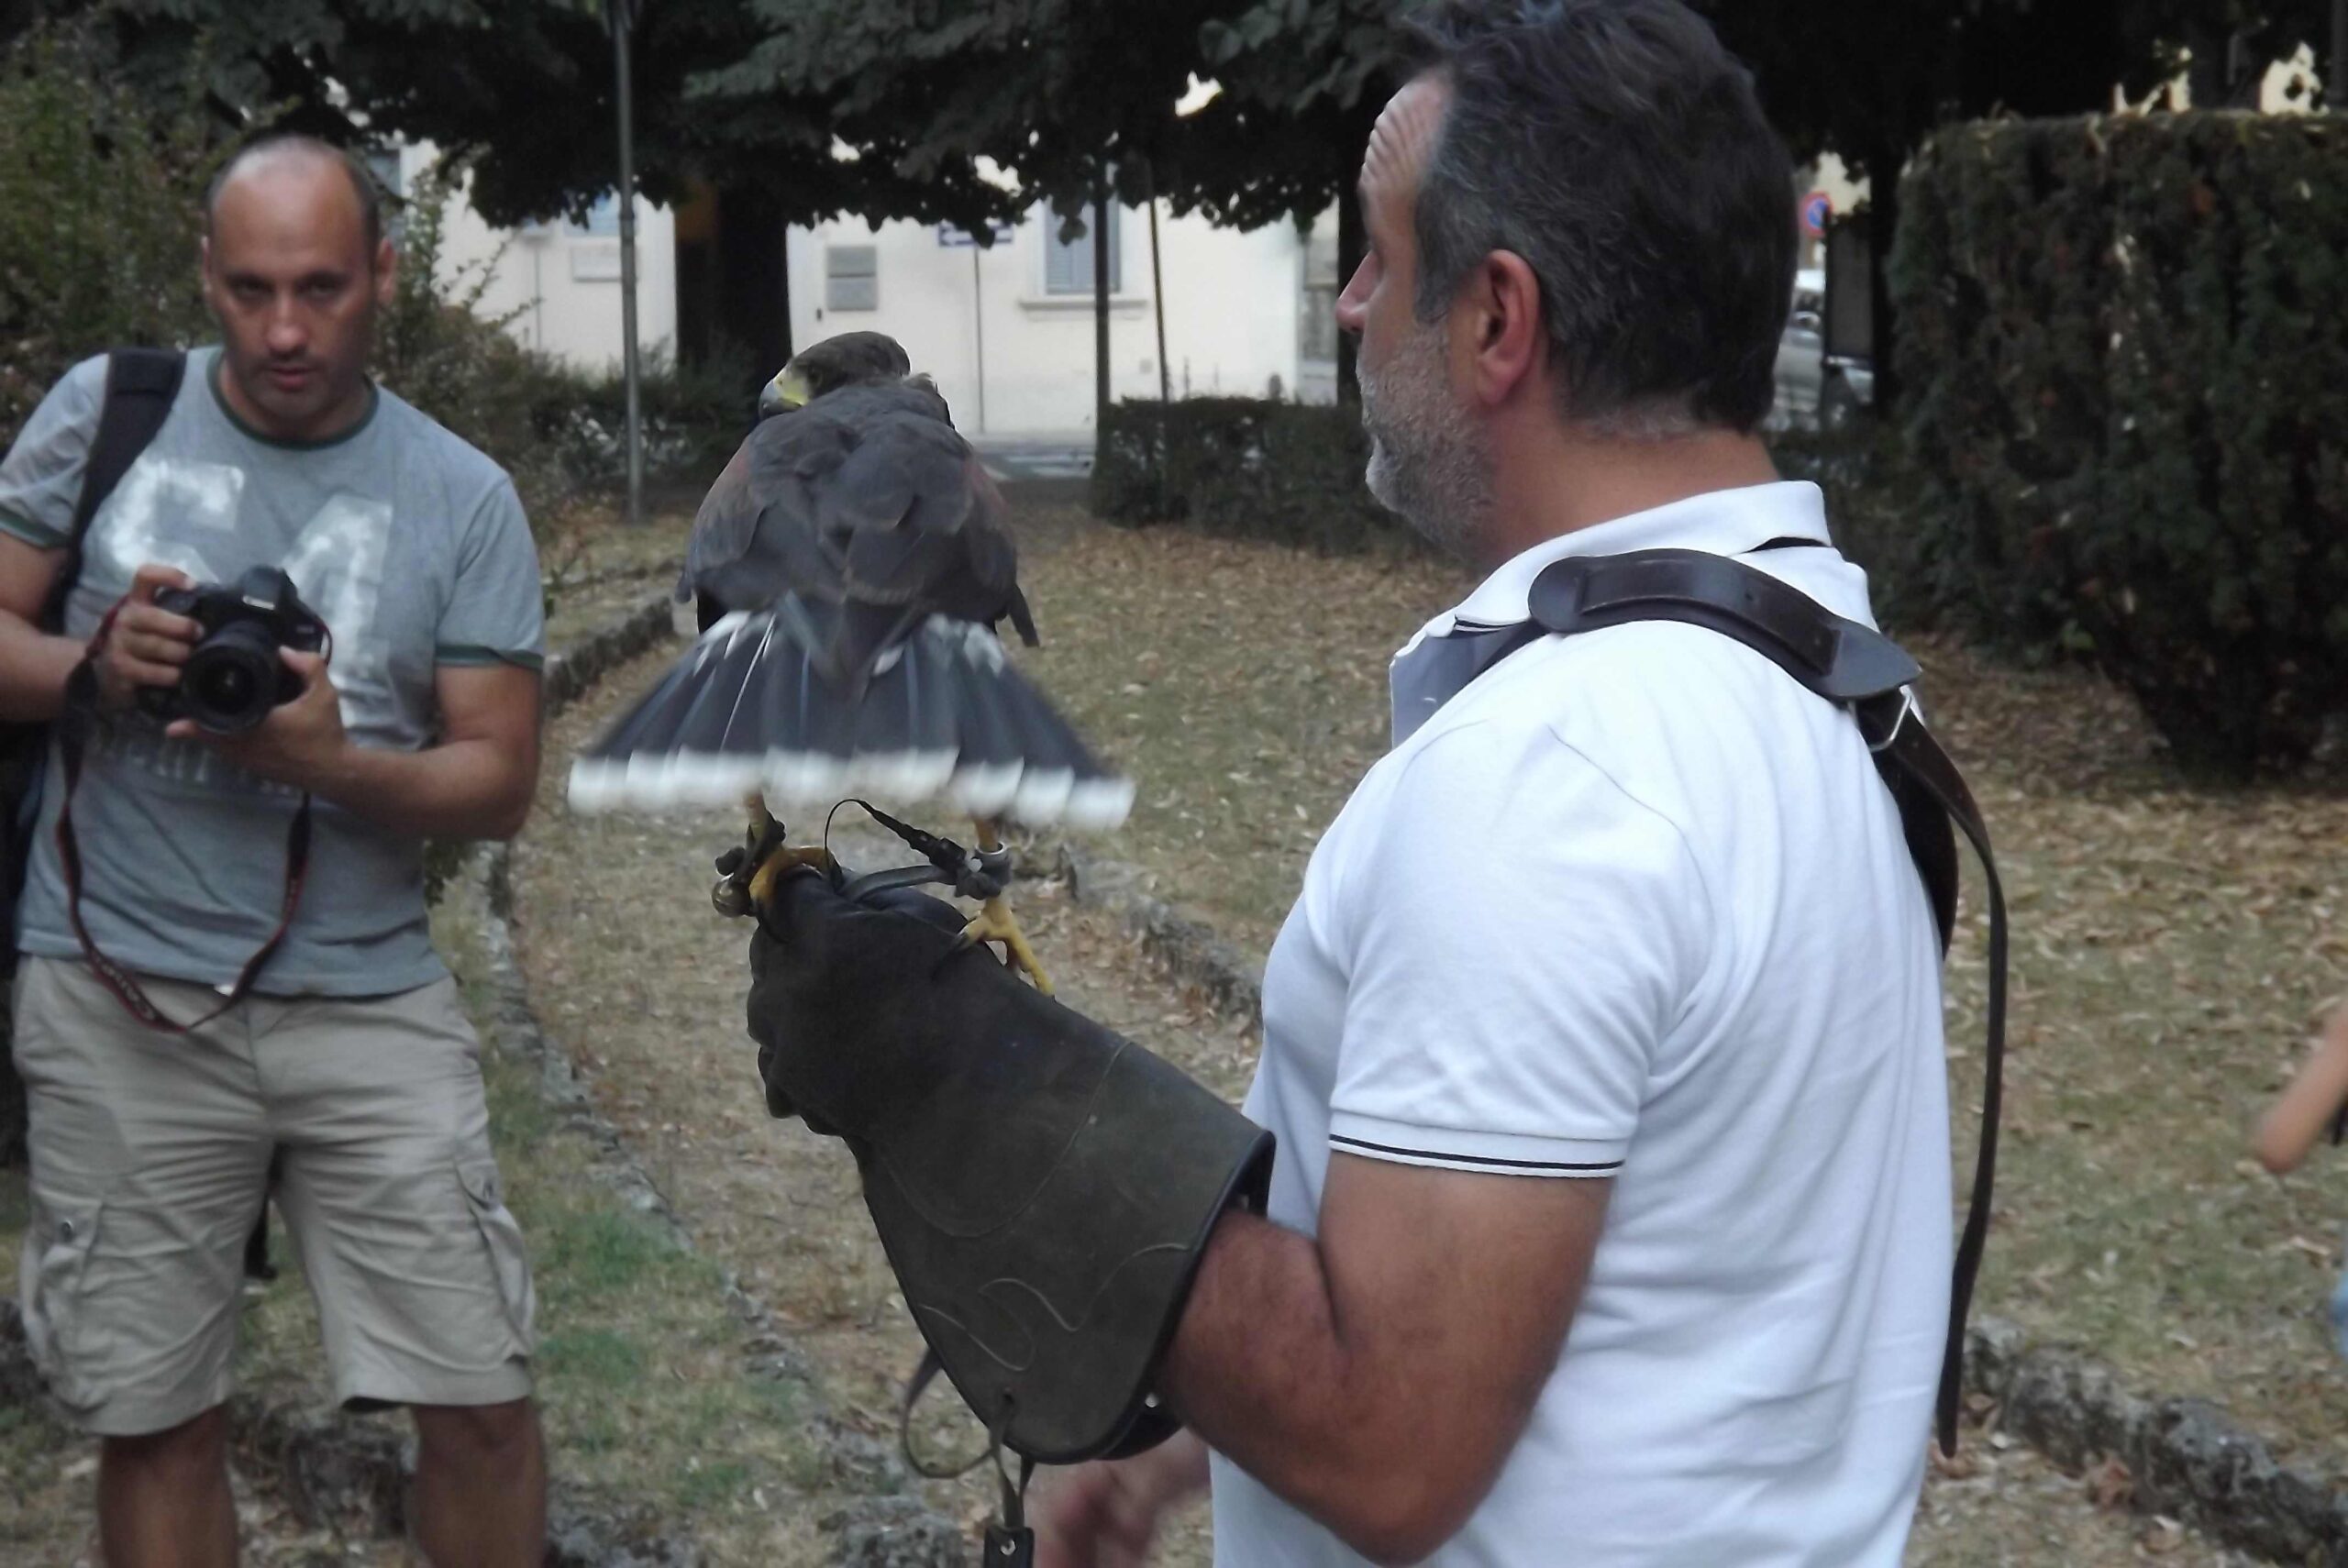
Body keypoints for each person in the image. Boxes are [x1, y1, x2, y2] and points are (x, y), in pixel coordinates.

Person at [748, 2, 1961, 1563]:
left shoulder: (1558, 776)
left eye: (1378, 257)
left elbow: (1386, 1442)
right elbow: (1627, 1270)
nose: (1352, 307)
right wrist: (1179, 1452)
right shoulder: (1822, 675)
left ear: (1499, 322)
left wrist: (958, 1065)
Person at [0, 134, 548, 1568]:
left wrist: (334, 763)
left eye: (321, 286)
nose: (286, 330)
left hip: (367, 998)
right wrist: (96, 664)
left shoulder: (461, 491)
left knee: (482, 1394)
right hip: (118, 994)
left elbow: (499, 778)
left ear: (384, 274)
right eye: (249, 290)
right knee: (157, 1416)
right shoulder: (105, 415)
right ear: (207, 278)